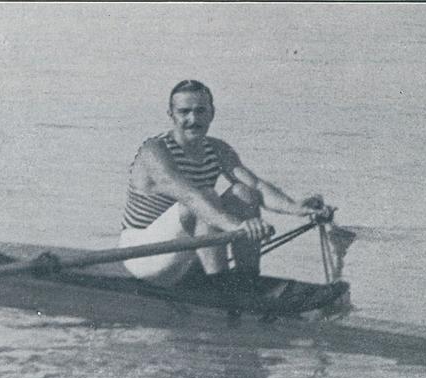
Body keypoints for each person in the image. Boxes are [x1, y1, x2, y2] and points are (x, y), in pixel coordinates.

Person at [119, 80, 332, 287]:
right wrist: (239, 226)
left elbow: (257, 186)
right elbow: (191, 198)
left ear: (212, 113)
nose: (193, 119)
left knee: (244, 193)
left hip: (184, 251)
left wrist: (296, 208)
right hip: (142, 256)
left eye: (200, 111)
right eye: (184, 112)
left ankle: (247, 282)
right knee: (207, 197)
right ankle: (219, 286)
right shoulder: (154, 151)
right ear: (171, 115)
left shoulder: (217, 148)